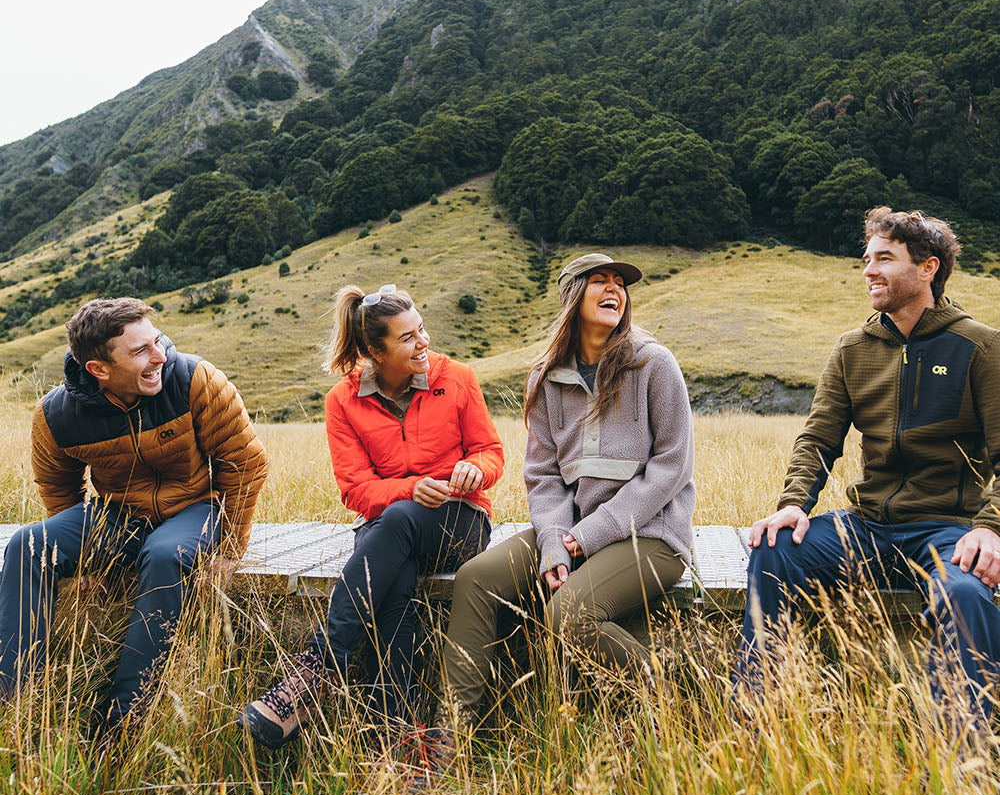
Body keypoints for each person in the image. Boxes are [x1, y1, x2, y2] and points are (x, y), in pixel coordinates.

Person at [733, 207, 1000, 730]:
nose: (869, 271)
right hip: (867, 526)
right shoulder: (852, 348)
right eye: (866, 259)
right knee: (774, 550)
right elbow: (818, 438)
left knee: (967, 594)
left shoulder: (981, 347)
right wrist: (793, 504)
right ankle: (759, 716)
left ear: (928, 268)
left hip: (948, 530)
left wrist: (990, 530)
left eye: (885, 259)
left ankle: (961, 753)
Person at [427, 253, 695, 765]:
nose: (615, 288)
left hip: (651, 535)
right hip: (570, 530)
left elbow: (672, 466)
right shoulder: (546, 378)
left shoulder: (653, 364)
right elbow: (543, 475)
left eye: (620, 283)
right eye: (600, 281)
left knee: (567, 615)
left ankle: (672, 702)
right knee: (475, 579)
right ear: (573, 296)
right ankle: (453, 740)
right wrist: (554, 540)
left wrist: (585, 538)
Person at [241, 283, 504, 750]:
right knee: (394, 579)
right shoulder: (342, 401)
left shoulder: (457, 377)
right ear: (374, 352)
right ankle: (398, 735)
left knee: (397, 524)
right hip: (389, 530)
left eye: (421, 330)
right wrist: (408, 489)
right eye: (407, 338)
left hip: (459, 522)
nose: (423, 342)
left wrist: (474, 468)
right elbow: (355, 489)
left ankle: (317, 669)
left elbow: (491, 453)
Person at [0, 296, 268, 744]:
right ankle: (13, 699)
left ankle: (123, 723)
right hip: (116, 517)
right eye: (141, 350)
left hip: (195, 509)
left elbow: (245, 462)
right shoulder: (57, 415)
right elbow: (59, 485)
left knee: (164, 555)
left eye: (157, 340)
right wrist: (83, 561)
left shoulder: (193, 379)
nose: (160, 355)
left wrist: (229, 549)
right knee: (26, 546)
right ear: (99, 369)